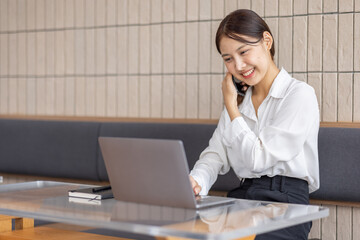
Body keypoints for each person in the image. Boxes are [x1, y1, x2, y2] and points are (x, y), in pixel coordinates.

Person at [189, 9, 319, 240]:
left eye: (244, 52)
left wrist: (231, 105)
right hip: (243, 197)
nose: (238, 66)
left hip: (287, 202)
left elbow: (258, 158)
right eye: (228, 59)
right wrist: (196, 181)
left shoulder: (299, 95)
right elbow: (215, 155)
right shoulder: (239, 104)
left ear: (267, 41)